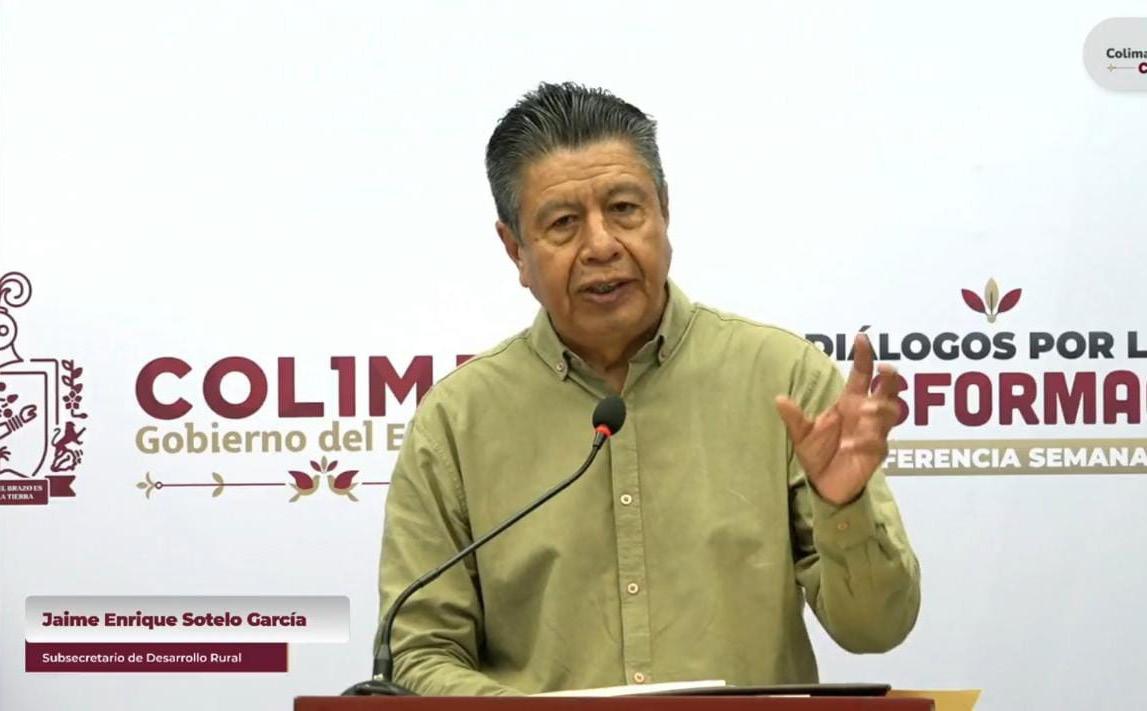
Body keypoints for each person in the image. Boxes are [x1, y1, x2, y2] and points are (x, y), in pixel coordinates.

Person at [377, 82, 920, 696]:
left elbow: (878, 629)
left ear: (664, 210)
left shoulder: (785, 380)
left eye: (624, 209)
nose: (601, 245)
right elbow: (419, 654)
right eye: (563, 223)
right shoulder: (457, 422)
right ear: (515, 250)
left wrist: (844, 509)